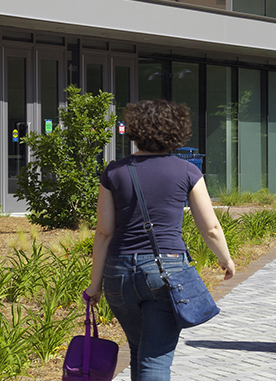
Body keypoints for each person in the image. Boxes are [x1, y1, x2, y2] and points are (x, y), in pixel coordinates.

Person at [85, 99, 236, 381]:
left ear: (134, 130)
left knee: (140, 350)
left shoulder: (114, 172)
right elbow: (211, 227)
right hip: (166, 273)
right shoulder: (187, 171)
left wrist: (95, 285)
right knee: (154, 361)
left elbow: (104, 232)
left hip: (118, 277)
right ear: (176, 132)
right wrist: (225, 259)